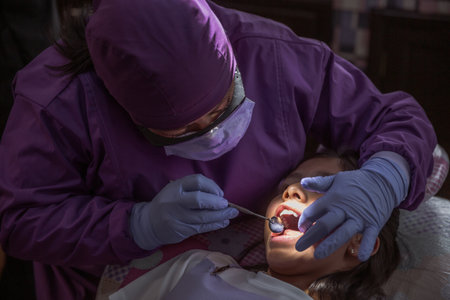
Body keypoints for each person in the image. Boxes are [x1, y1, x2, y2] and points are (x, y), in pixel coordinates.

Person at [0, 0, 436, 299]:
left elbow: (395, 118)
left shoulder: (275, 56)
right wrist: (135, 225)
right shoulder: (55, 103)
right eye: (181, 130)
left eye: (221, 106)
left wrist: (385, 177)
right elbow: (21, 218)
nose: (210, 134)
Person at [108, 152, 401, 300]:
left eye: (322, 187)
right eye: (286, 185)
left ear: (359, 243)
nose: (291, 191)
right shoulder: (202, 265)